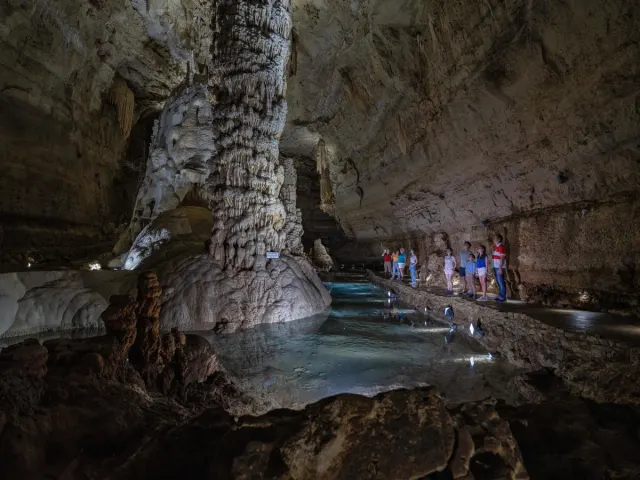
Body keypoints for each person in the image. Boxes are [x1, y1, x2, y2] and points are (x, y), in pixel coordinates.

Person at [492, 234, 507, 302]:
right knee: (499, 281)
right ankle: (501, 295)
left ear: (499, 239)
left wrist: (500, 267)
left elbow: (502, 257)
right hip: (496, 266)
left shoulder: (501, 246)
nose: (494, 240)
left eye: (496, 238)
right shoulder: (496, 247)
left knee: (501, 282)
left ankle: (502, 297)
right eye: (494, 238)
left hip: (499, 267)